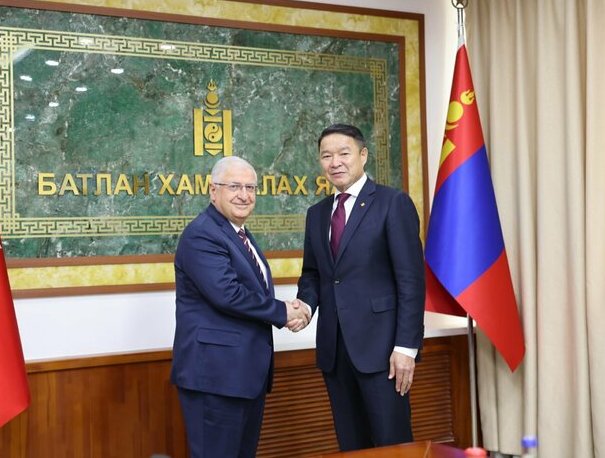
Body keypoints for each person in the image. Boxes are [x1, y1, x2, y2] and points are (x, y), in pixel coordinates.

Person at [295, 123, 426, 450]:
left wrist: (406, 348)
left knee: (392, 445)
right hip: (335, 352)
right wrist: (306, 306)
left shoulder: (392, 203)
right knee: (351, 446)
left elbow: (411, 280)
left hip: (384, 353)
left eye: (344, 153)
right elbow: (313, 274)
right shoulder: (317, 214)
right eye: (326, 156)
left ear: (363, 155)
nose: (335, 162)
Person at [171, 155, 310, 458]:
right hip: (216, 378)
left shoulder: (237, 233)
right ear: (213, 190)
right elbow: (227, 294)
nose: (244, 195)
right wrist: (283, 311)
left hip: (242, 376)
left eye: (250, 187)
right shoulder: (202, 234)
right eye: (234, 186)